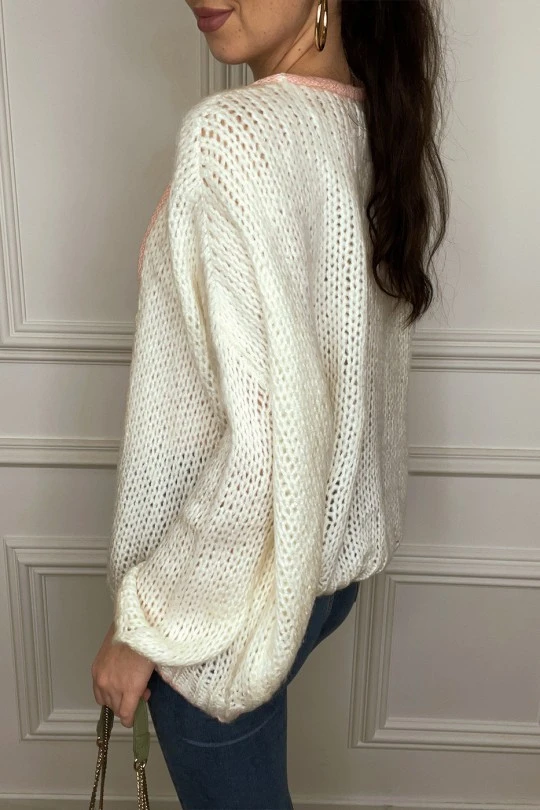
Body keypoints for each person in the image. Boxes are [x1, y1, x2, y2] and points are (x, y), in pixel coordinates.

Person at [91, 0, 449, 806]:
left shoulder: (232, 137)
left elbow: (263, 452)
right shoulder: (368, 120)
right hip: (322, 571)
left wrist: (144, 627)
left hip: (226, 590)